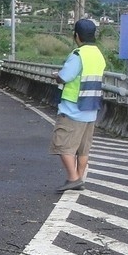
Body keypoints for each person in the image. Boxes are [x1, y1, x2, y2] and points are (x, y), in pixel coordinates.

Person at [52, 18, 106, 193]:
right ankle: (80, 177)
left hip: (73, 109)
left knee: (63, 145)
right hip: (90, 109)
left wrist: (57, 75)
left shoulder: (78, 55)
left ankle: (73, 178)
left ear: (77, 36)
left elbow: (66, 76)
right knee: (83, 149)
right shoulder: (98, 54)